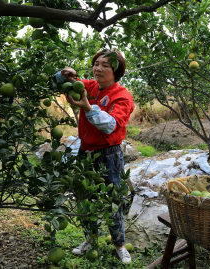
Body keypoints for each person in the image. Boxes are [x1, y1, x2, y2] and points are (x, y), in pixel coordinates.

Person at [56, 49, 134, 264]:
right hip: (85, 152)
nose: (98, 68)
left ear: (116, 71)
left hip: (109, 154)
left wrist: (88, 107)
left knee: (113, 200)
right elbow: (64, 82)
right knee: (84, 198)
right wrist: (65, 75)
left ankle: (119, 244)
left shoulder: (123, 97)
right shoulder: (89, 87)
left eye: (105, 65)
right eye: (96, 63)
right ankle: (90, 240)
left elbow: (110, 125)